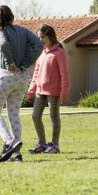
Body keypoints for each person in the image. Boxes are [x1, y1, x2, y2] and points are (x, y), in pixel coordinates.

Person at [0, 5, 43, 163]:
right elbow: (39, 45)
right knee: (13, 114)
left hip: (5, 76)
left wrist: (10, 62)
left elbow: (4, 44)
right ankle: (16, 154)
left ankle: (9, 141)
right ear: (12, 17)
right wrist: (25, 64)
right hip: (22, 78)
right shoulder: (23, 31)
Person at [27, 24, 71, 155]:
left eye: (43, 37)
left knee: (54, 116)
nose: (40, 40)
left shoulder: (59, 53)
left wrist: (64, 91)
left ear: (50, 37)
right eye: (39, 37)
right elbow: (36, 73)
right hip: (40, 91)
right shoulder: (42, 54)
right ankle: (42, 143)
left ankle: (54, 145)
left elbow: (64, 74)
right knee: (35, 116)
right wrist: (31, 89)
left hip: (54, 92)